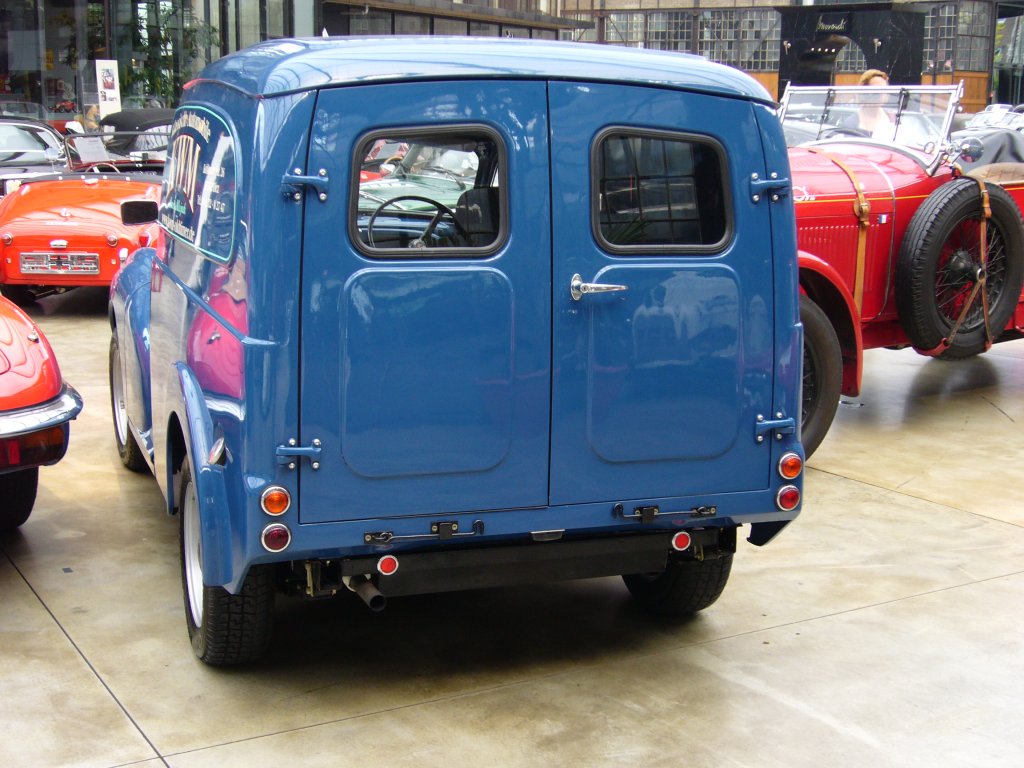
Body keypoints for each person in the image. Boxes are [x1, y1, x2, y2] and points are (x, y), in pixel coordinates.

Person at [856, 69, 893, 138]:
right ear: (864, 93)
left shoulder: (891, 118)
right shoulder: (852, 121)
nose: (881, 94)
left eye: (884, 90)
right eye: (876, 91)